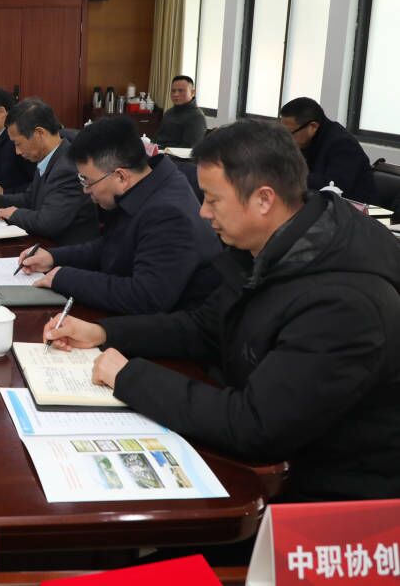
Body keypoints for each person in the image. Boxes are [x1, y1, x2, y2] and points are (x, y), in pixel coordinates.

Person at [44, 120, 400, 501]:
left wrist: (129, 377)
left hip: (327, 494)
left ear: (264, 200)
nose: (202, 213)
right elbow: (202, 328)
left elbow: (256, 425)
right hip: (270, 451)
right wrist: (103, 333)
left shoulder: (344, 303)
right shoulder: (269, 247)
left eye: (213, 200)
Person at [20, 116, 221, 314]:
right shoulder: (145, 183)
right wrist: (53, 257)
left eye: (87, 181)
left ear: (121, 176)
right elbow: (112, 246)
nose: (85, 190)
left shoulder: (168, 213)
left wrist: (65, 278)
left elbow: (145, 297)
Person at [0, 99, 97, 246]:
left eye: (18, 143)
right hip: (45, 245)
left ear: (39, 133)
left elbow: (48, 223)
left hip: (65, 251)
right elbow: (29, 199)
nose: (17, 151)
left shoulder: (68, 167)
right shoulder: (50, 158)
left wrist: (14, 214)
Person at [279, 97, 376, 203]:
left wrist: (290, 176)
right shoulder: (303, 141)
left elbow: (332, 187)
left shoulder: (343, 144)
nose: (286, 139)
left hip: (354, 209)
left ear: (313, 126)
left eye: (289, 133)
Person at [154, 75, 207, 149]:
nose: (176, 94)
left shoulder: (197, 117)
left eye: (181, 91)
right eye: (173, 91)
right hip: (159, 152)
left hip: (175, 155)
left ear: (192, 92)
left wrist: (162, 150)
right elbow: (158, 138)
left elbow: (189, 149)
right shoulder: (168, 113)